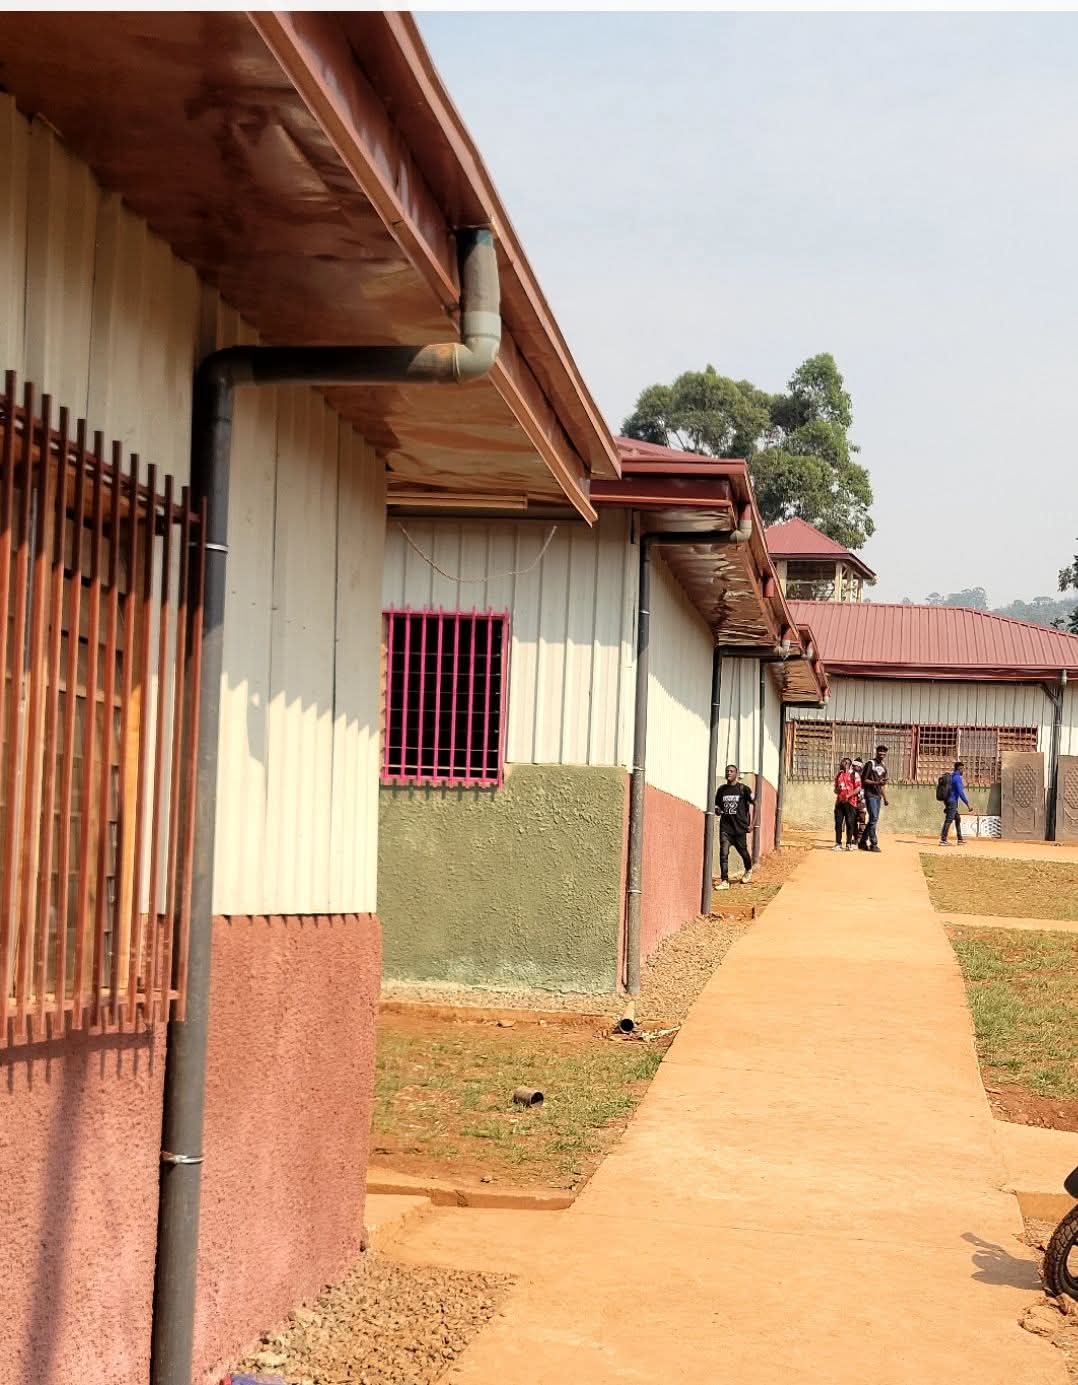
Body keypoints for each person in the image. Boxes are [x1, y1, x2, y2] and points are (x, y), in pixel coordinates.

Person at [715, 763, 754, 890]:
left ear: (736, 774)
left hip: (739, 828)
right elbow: (717, 806)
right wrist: (717, 810)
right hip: (725, 829)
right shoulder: (721, 790)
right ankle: (724, 881)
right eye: (727, 771)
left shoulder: (743, 789)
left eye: (731, 771)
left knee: (743, 852)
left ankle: (748, 870)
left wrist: (753, 823)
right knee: (723, 853)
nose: (729, 773)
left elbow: (756, 804)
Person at [859, 744, 889, 853]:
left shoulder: (884, 766)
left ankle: (862, 841)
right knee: (874, 818)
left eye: (884, 752)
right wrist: (877, 782)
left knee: (873, 820)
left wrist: (885, 798)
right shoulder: (870, 764)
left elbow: (882, 784)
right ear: (876, 752)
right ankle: (873, 843)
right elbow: (864, 780)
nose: (882, 753)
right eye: (880, 751)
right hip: (870, 794)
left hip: (878, 796)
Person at [940, 759, 971, 845]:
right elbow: (961, 792)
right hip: (952, 802)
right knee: (949, 820)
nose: (963, 771)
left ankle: (960, 839)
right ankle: (943, 840)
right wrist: (968, 804)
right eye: (962, 769)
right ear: (959, 769)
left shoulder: (952, 776)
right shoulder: (957, 778)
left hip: (949, 801)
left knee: (957, 819)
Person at [833, 757, 860, 851]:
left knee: (850, 823)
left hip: (851, 802)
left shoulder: (854, 774)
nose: (841, 763)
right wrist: (838, 790)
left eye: (844, 762)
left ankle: (848, 843)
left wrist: (849, 795)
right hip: (839, 802)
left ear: (848, 764)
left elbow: (858, 788)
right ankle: (838, 843)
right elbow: (835, 790)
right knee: (838, 823)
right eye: (842, 762)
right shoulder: (839, 775)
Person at [850, 758, 868, 846]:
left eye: (856, 766)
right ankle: (856, 838)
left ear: (860, 766)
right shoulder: (850, 775)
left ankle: (860, 838)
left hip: (862, 801)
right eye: (853, 765)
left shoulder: (864, 776)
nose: (854, 767)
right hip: (852, 801)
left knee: (862, 819)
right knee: (852, 820)